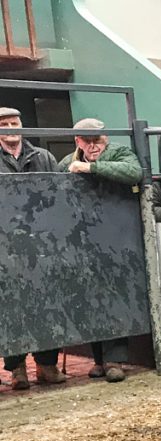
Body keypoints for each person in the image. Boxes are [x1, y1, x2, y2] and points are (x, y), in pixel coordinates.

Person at [59, 118, 143, 383]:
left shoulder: (119, 153)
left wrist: (90, 167)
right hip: (81, 238)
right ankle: (98, 359)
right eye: (88, 141)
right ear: (78, 141)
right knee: (89, 297)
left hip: (117, 235)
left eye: (99, 140)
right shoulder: (65, 163)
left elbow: (133, 172)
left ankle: (115, 359)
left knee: (116, 295)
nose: (94, 146)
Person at [0, 107, 67, 389]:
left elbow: (58, 193)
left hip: (42, 241)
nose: (10, 128)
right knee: (10, 306)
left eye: (14, 122)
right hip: (5, 243)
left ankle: (46, 365)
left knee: (47, 302)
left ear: (22, 125)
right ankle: (17, 370)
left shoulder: (43, 156)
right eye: (4, 124)